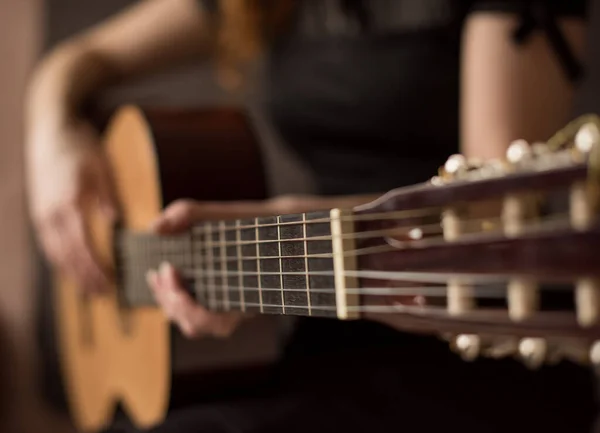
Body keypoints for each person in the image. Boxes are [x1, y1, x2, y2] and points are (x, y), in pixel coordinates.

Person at [25, 0, 597, 432]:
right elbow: (75, 62)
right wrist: (53, 139)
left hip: (476, 345)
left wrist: (281, 232)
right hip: (320, 316)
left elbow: (491, 215)